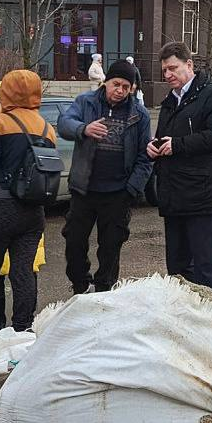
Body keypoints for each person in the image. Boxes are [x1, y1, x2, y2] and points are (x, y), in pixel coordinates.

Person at [0, 69, 57, 336]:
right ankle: (23, 328)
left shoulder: (0, 123)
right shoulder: (47, 128)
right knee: (23, 272)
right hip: (32, 212)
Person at [58, 59, 153, 294]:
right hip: (85, 189)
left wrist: (132, 190)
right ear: (106, 82)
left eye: (126, 87)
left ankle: (104, 290)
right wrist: (84, 129)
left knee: (111, 247)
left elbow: (145, 156)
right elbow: (64, 124)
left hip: (118, 193)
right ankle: (80, 285)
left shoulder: (139, 114)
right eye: (116, 84)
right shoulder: (86, 102)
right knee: (74, 242)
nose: (120, 91)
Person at [146, 41, 212, 293]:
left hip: (201, 195)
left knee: (204, 268)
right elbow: (166, 137)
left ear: (189, 65)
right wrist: (154, 147)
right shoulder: (170, 101)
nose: (168, 75)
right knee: (177, 268)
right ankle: (182, 321)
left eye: (173, 68)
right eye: (164, 70)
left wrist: (178, 145)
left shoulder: (211, 94)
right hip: (173, 194)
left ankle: (210, 319)